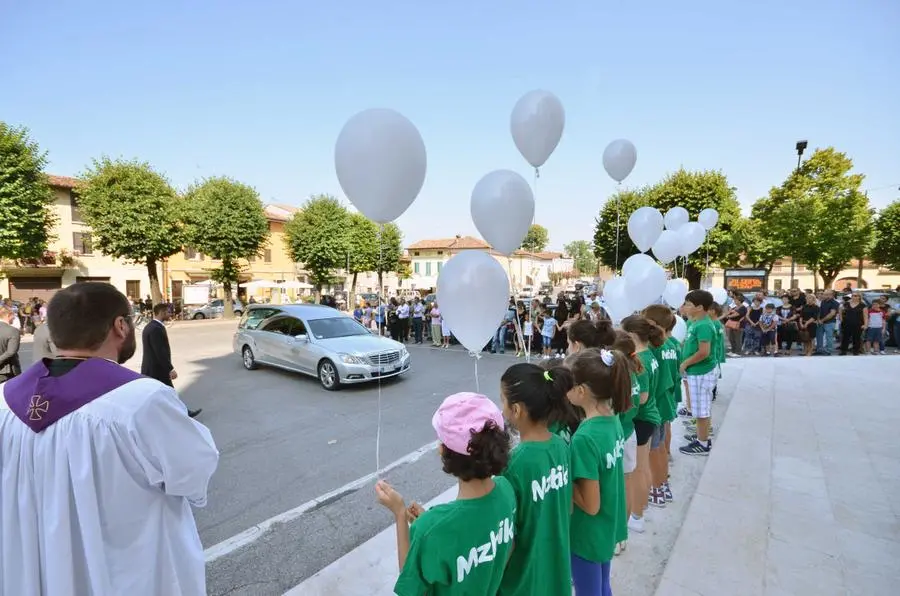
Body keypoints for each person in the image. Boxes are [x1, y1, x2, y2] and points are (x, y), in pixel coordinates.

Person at [0, 282, 219, 595]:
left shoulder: (5, 401)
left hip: (36, 571)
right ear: (120, 326)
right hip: (122, 572)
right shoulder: (141, 399)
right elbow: (193, 471)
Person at [374, 392, 515, 595]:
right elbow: (505, 548)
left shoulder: (430, 528)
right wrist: (433, 524)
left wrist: (399, 514)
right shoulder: (506, 491)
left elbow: (411, 586)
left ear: (443, 451)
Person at [498, 363, 575, 595]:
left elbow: (505, 539)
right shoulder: (561, 446)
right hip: (556, 570)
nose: (501, 409)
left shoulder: (514, 463)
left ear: (518, 409)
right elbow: (567, 507)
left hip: (523, 580)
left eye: (502, 401)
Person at [565, 348, 631, 596]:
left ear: (580, 391)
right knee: (602, 585)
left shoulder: (584, 437)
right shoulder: (612, 420)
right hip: (607, 523)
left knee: (589, 590)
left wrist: (564, 481)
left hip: (587, 534)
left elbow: (590, 505)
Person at [620, 315, 664, 533]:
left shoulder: (641, 359)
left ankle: (636, 515)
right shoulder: (648, 355)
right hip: (649, 415)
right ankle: (641, 507)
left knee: (638, 470)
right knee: (642, 467)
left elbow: (643, 397)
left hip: (643, 417)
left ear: (631, 335)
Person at [142, 303, 201, 418]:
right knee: (168, 392)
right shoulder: (155, 329)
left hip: (153, 368)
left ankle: (181, 412)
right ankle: (183, 413)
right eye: (168, 312)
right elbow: (159, 351)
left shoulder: (151, 326)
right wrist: (170, 369)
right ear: (161, 312)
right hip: (157, 369)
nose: (170, 314)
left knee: (160, 393)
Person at [679, 290, 717, 456]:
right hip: (697, 371)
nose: (685, 307)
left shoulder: (704, 326)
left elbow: (704, 352)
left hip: (702, 371)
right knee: (700, 407)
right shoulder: (696, 322)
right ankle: (702, 435)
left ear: (700, 307)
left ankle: (703, 443)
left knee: (701, 409)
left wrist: (686, 363)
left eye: (688, 304)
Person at [0, 306, 22, 382]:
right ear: (8, 315)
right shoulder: (13, 331)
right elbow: (11, 352)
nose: (14, 318)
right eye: (13, 315)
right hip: (7, 371)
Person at [815, 290, 840, 355]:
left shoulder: (835, 303)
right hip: (821, 322)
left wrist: (822, 320)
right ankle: (819, 350)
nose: (824, 295)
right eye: (824, 294)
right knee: (819, 336)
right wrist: (818, 320)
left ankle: (829, 351)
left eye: (826, 294)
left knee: (829, 337)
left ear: (831, 295)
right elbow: (820, 311)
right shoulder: (823, 301)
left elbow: (832, 314)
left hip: (830, 322)